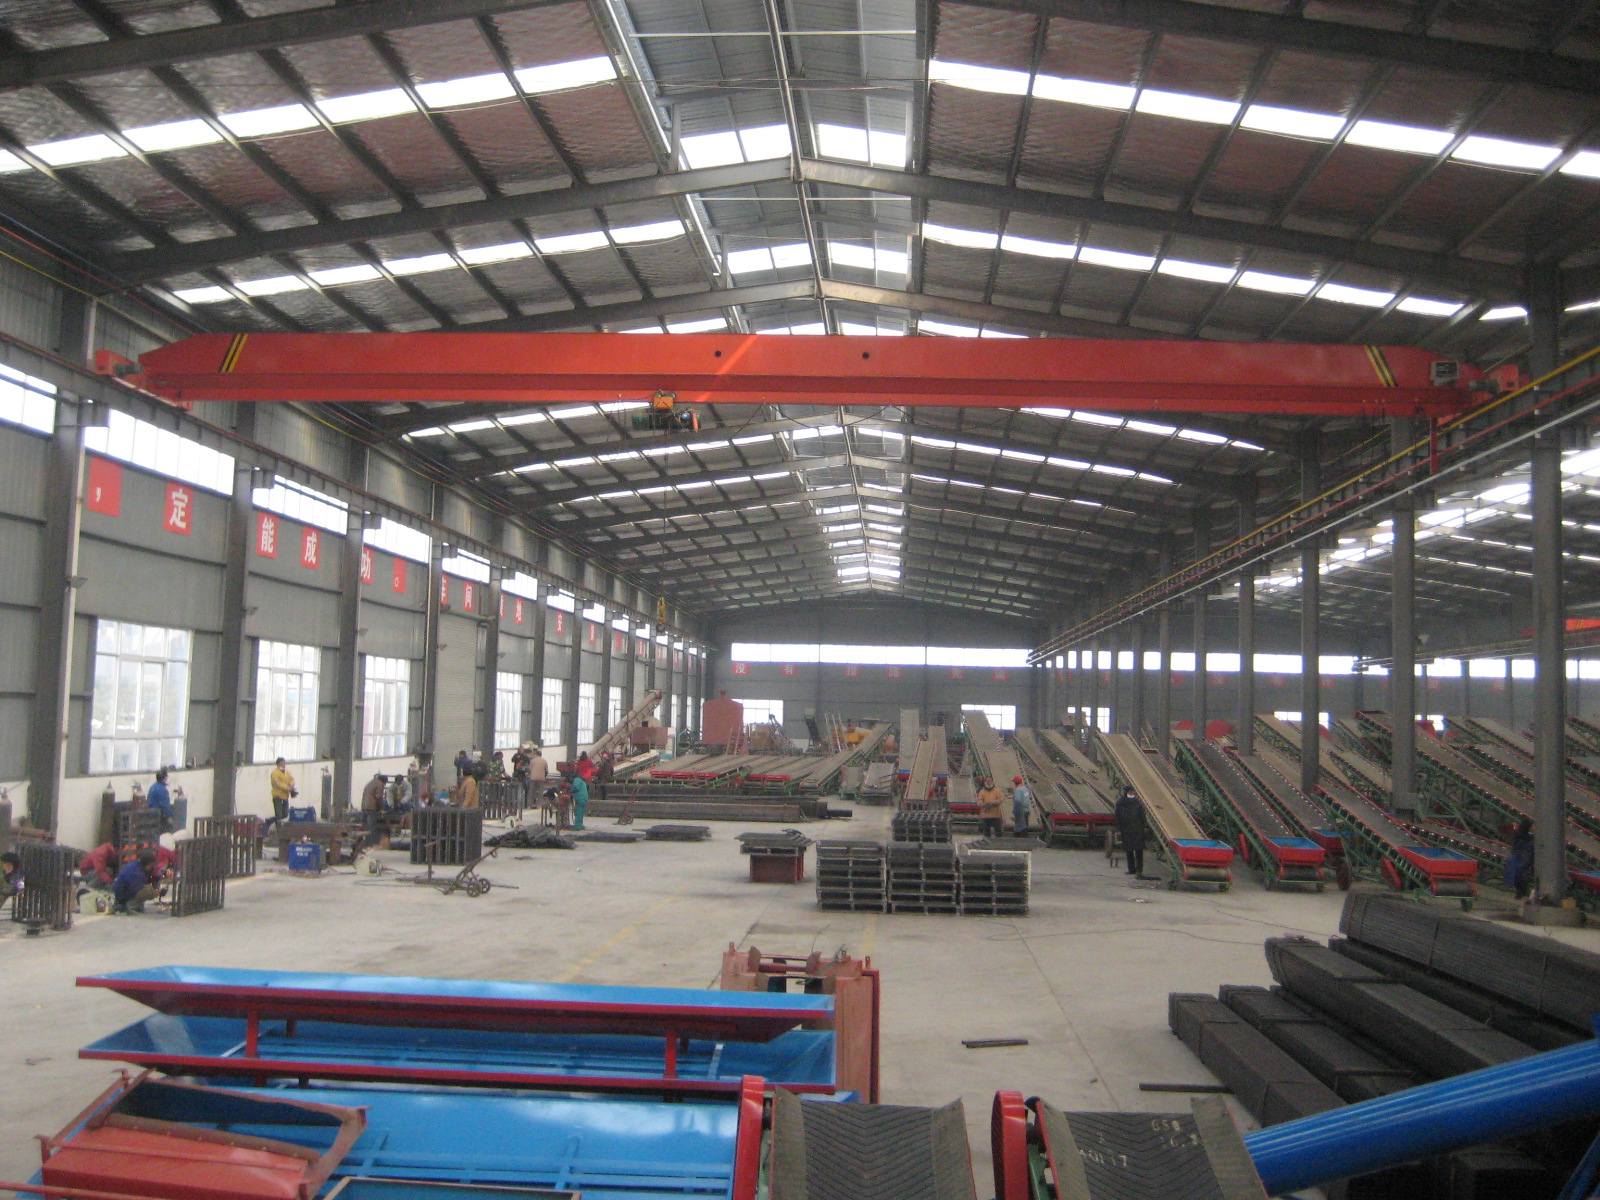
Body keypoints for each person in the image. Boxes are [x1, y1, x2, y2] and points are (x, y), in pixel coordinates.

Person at [112, 850, 162, 914]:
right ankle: (130, 905)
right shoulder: (136, 873)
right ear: (146, 865)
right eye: (151, 865)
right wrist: (157, 892)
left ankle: (135, 905)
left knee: (148, 889)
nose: (152, 867)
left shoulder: (139, 865)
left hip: (127, 890)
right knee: (149, 891)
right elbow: (136, 889)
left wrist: (155, 879)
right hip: (122, 894)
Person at [1115, 786, 1147, 877]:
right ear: (1126, 792)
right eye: (1130, 792)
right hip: (1126, 830)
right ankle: (1131, 869)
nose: (1132, 793)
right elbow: (1117, 818)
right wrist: (1118, 830)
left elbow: (1143, 815)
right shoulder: (1120, 804)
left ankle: (1139, 870)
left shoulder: (1138, 803)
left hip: (1138, 830)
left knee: (1139, 851)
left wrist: (1145, 826)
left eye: (1133, 792)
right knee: (1129, 850)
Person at [1506, 818, 1534, 900]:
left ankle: (1522, 891)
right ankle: (1522, 890)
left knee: (1520, 872)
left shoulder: (1524, 835)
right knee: (1519, 872)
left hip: (1524, 856)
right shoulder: (1521, 835)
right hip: (1521, 855)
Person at [269, 758, 296, 832]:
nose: (284, 765)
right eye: (282, 763)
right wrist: (288, 788)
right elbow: (278, 784)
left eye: (284, 763)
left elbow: (292, 779)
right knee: (279, 814)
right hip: (277, 795)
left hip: (285, 796)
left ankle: (271, 820)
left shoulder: (287, 772)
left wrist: (291, 785)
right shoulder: (274, 773)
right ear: (278, 764)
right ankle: (278, 828)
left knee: (285, 814)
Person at [144, 768, 173, 832]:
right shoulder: (162, 790)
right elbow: (165, 806)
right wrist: (169, 817)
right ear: (164, 778)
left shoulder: (153, 787)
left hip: (150, 815)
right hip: (157, 817)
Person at [360, 773, 387, 837]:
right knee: (371, 827)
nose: (385, 784)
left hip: (364, 807)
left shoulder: (370, 783)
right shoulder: (380, 784)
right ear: (384, 781)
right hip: (371, 808)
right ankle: (371, 841)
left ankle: (365, 840)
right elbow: (378, 797)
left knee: (365, 826)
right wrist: (382, 809)